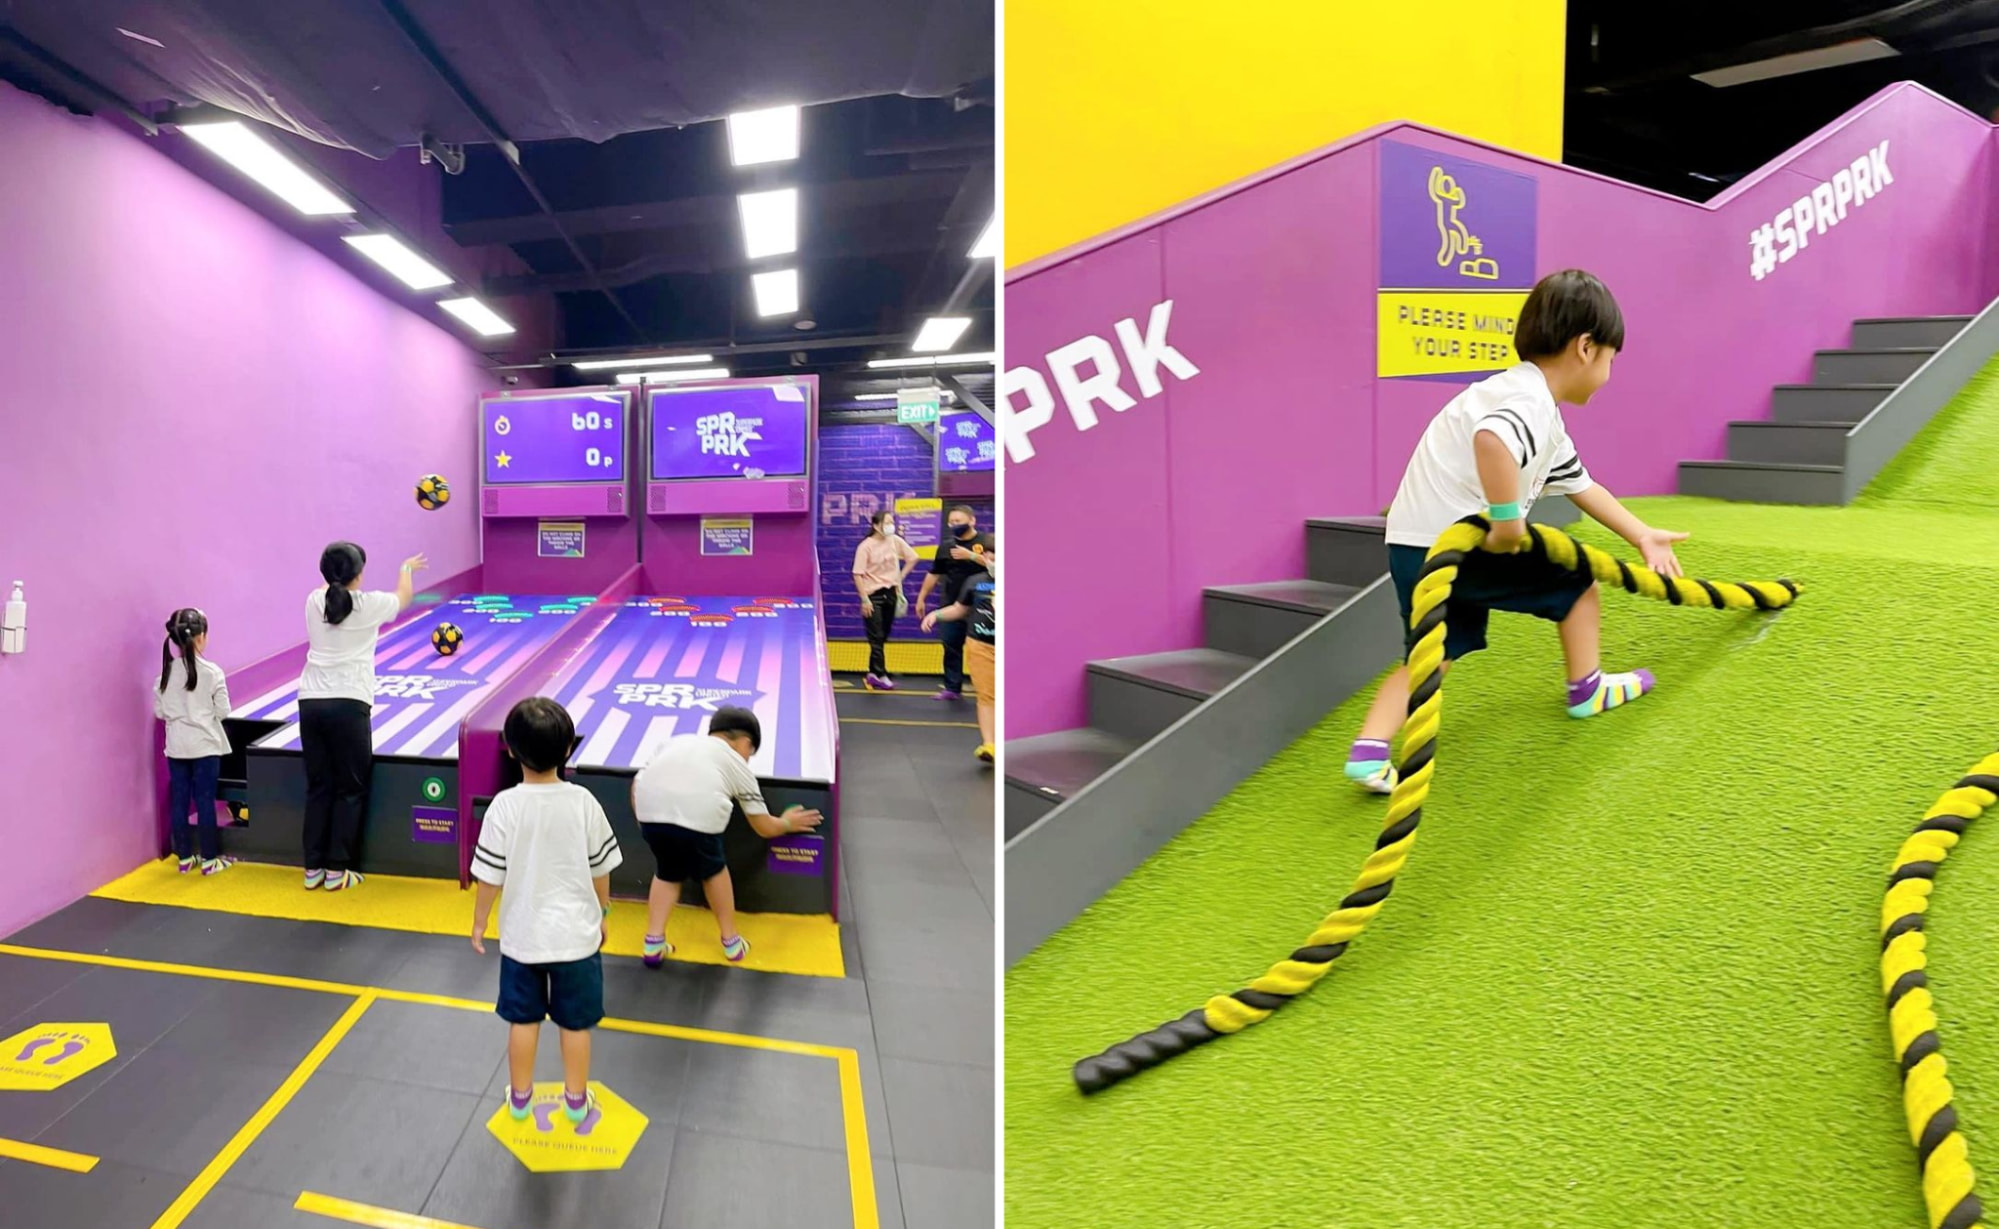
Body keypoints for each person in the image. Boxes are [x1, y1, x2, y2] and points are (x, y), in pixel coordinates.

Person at [1346, 269, 1688, 795]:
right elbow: (1492, 441)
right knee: (1578, 584)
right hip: (1464, 543)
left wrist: (1640, 533)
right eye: (1611, 361)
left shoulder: (1514, 397)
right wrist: (1508, 521)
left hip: (1411, 545)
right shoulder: (1529, 403)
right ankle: (1587, 687)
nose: (1609, 373)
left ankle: (1369, 750)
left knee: (1435, 649)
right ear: (1585, 347)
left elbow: (1581, 484)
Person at [470, 697, 620, 1125]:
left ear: (511, 751)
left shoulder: (504, 806)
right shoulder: (584, 802)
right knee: (575, 1025)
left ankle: (520, 1099)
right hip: (577, 939)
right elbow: (601, 869)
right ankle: (576, 1100)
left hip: (523, 939)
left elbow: (490, 877)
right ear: (569, 748)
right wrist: (603, 914)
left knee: (523, 1021)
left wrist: (480, 922)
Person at [630, 706, 822, 967]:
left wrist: (645, 821)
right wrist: (787, 823)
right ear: (745, 741)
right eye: (750, 752)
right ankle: (731, 942)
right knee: (713, 871)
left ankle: (653, 943)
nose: (748, 758)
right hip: (698, 821)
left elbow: (636, 785)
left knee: (667, 872)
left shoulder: (672, 742)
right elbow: (763, 826)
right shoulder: (735, 762)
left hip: (650, 815)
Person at [298, 541, 426, 890]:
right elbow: (404, 596)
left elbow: (332, 590)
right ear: (358, 574)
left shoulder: (313, 601)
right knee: (350, 788)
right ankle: (338, 870)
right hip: (349, 704)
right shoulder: (369, 605)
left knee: (319, 786)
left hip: (311, 703)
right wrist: (406, 568)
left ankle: (313, 870)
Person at [154, 607, 237, 875]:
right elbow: (224, 711)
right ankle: (211, 859)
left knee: (179, 800)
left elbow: (160, 712)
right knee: (204, 800)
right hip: (205, 746)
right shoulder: (213, 672)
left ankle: (185, 858)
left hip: (177, 747)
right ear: (201, 637)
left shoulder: (164, 676)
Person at [922, 538, 997, 762]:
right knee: (986, 696)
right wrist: (936, 615)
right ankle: (989, 745)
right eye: (990, 558)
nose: (993, 563)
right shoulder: (975, 582)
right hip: (980, 646)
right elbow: (959, 609)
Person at [915, 505, 994, 701]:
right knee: (951, 645)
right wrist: (921, 597)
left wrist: (972, 557)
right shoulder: (946, 547)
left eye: (958, 521)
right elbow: (934, 573)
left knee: (984, 648)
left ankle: (989, 688)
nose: (954, 525)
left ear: (972, 520)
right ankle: (952, 687)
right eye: (951, 522)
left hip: (983, 607)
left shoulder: (987, 542)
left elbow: (1000, 566)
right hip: (953, 604)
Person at [851, 509, 917, 691]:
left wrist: (899, 577)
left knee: (883, 635)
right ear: (875, 525)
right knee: (876, 636)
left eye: (891, 522)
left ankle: (873, 672)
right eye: (886, 523)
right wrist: (865, 600)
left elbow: (913, 557)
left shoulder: (895, 541)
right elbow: (857, 574)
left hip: (891, 593)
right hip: (873, 595)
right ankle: (881, 674)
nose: (890, 526)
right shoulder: (866, 546)